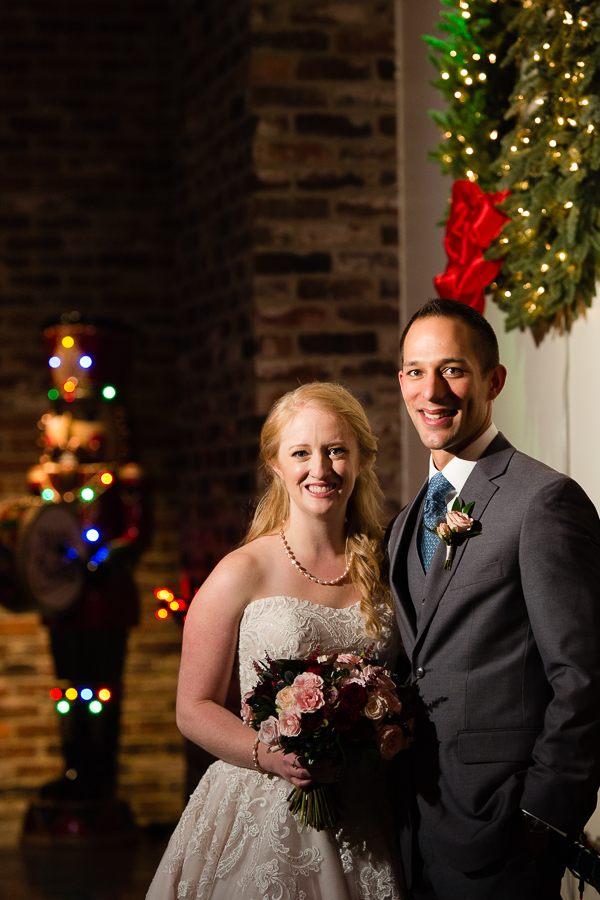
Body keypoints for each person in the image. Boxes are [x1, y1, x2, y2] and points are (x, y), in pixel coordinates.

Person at [146, 382, 406, 900]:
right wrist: (269, 755)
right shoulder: (240, 572)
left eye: (337, 451)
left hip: (368, 806)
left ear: (360, 460)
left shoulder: (387, 564)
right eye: (302, 453)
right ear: (276, 465)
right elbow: (192, 708)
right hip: (264, 804)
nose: (322, 469)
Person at [387, 298, 600, 900]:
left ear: (493, 380)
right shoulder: (405, 522)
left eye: (452, 369)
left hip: (504, 826)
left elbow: (583, 674)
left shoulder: (544, 502)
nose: (431, 390)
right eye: (414, 371)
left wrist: (544, 815)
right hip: (413, 821)